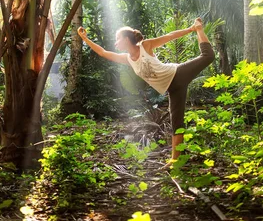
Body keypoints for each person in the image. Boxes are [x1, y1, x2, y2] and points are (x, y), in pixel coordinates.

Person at [77, 18, 214, 163]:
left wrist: (192, 29)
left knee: (208, 56)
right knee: (176, 123)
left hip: (177, 74)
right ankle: (175, 161)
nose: (115, 42)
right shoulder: (127, 59)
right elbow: (103, 52)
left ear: (126, 39)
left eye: (118, 39)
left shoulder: (145, 46)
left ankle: (200, 29)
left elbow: (169, 36)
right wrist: (85, 38)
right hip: (172, 89)